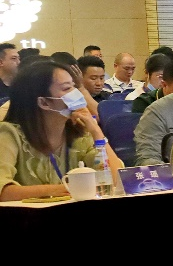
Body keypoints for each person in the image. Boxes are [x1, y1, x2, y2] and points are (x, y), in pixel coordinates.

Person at [0, 61, 124, 201]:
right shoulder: (9, 134)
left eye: (74, 86)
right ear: (44, 102)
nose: (76, 93)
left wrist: (97, 132)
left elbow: (117, 180)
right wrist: (65, 189)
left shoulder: (80, 134)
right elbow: (3, 192)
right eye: (66, 88)